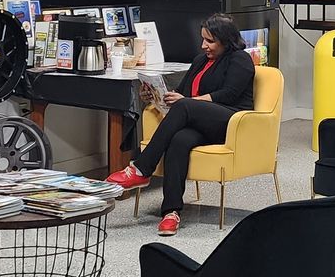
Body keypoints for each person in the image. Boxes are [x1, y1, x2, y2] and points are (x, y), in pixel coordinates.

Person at [107, 14, 255, 236]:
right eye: (203, 39)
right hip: (199, 121)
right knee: (179, 140)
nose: (204, 45)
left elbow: (229, 95)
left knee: (184, 107)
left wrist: (186, 102)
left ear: (227, 40)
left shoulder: (240, 59)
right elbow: (184, 95)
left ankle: (140, 168)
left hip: (230, 121)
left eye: (210, 41)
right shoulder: (199, 61)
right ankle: (171, 212)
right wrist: (156, 96)